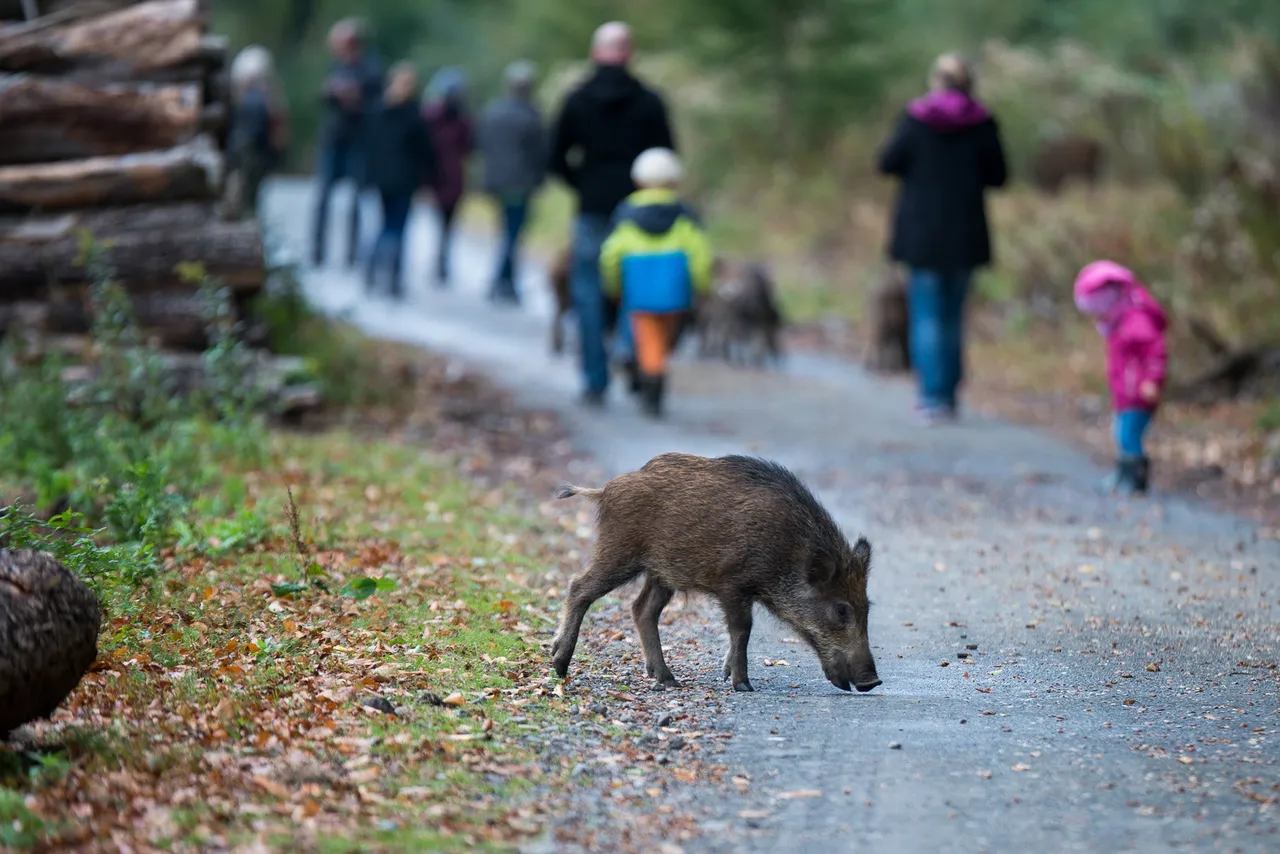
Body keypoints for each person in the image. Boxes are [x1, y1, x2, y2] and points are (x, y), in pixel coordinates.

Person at [548, 21, 676, 407]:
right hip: (637, 211)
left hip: (592, 208)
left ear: (595, 53)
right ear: (630, 53)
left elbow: (555, 158)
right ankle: (627, 347)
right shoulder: (650, 101)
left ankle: (594, 379)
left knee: (587, 290)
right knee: (632, 288)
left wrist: (582, 183)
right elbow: (666, 157)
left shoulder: (576, 99)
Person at [877, 52, 1007, 425]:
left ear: (936, 80)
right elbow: (998, 175)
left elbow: (886, 162)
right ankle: (948, 396)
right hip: (965, 235)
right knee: (952, 316)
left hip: (922, 235)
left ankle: (931, 397)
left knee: (927, 315)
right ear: (969, 84)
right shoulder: (982, 122)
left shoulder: (917, 118)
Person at [599, 148, 712, 418]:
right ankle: (653, 380)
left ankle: (651, 385)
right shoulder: (684, 214)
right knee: (666, 338)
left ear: (637, 180)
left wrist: (614, 287)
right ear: (675, 180)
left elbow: (610, 255)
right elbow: (700, 254)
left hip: (639, 290)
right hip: (675, 290)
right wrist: (701, 285)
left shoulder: (626, 214)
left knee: (648, 340)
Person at [1073, 261, 1168, 495]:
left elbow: (1155, 351)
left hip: (1139, 393)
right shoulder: (1119, 322)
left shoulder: (1136, 322)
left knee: (1129, 434)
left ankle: (1135, 479)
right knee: (1121, 433)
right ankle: (1122, 474)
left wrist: (1151, 380)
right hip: (1125, 392)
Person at [311, 18, 384, 268]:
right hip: (334, 139)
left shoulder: (371, 67)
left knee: (356, 199)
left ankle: (351, 253)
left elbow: (374, 103)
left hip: (358, 141)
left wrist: (354, 96)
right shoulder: (336, 66)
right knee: (323, 196)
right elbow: (324, 95)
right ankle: (317, 251)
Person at [363, 62, 437, 299]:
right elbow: (425, 150)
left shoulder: (377, 110)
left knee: (385, 226)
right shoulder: (413, 114)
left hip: (383, 178)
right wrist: (429, 179)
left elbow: (369, 147)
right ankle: (392, 277)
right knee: (397, 229)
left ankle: (373, 270)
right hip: (404, 179)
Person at [477, 59, 547, 305]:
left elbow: (481, 144)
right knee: (513, 233)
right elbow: (541, 153)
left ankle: (502, 281)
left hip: (495, 182)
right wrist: (539, 181)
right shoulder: (530, 115)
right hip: (519, 184)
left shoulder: (493, 111)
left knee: (506, 230)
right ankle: (502, 282)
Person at [423, 67, 474, 287]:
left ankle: (441, 262)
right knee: (443, 224)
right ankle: (440, 262)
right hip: (443, 177)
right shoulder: (439, 117)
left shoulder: (456, 118)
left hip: (449, 179)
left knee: (446, 224)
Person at [226, 45, 290, 220]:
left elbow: (245, 139)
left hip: (249, 159)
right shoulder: (268, 100)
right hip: (256, 159)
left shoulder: (252, 101)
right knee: (250, 202)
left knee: (243, 202)